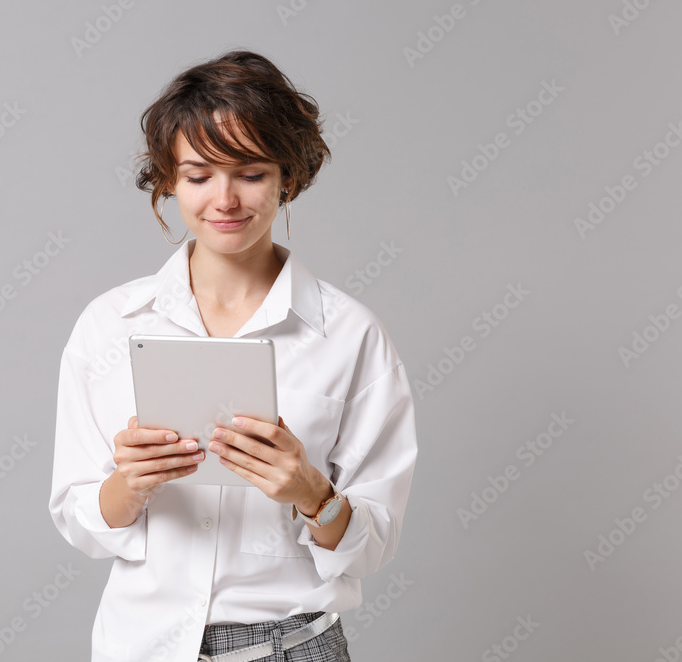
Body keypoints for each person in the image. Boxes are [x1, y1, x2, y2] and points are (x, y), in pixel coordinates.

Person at [49, 49, 417, 662]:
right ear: (168, 182)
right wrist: (129, 484)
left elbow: (374, 546)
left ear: (288, 177)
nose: (224, 199)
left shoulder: (350, 335)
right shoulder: (108, 326)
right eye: (197, 176)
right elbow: (80, 519)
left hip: (291, 645)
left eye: (250, 173)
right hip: (143, 645)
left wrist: (310, 491)